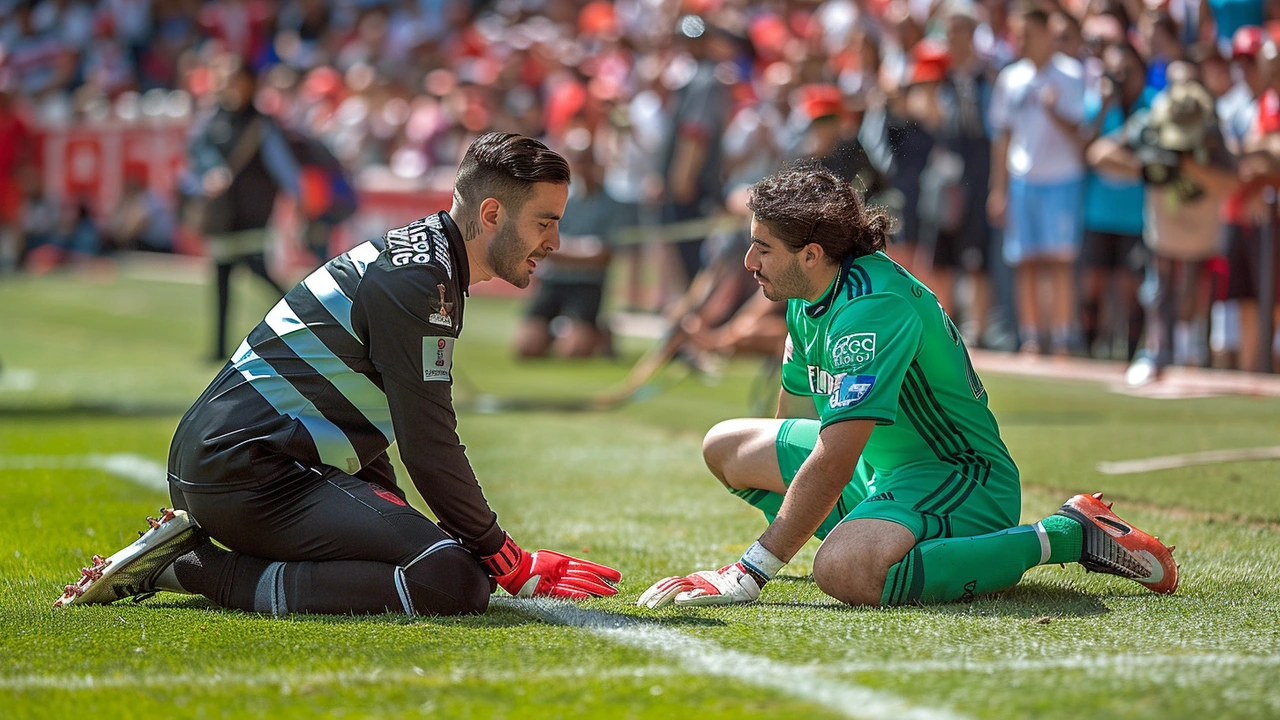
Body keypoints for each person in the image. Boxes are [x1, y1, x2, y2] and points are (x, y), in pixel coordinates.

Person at [54, 132, 621, 616]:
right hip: (251, 472)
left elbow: (356, 410)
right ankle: (192, 569)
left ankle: (197, 553)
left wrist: (398, 515)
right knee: (452, 579)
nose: (554, 241)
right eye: (544, 222)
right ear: (492, 213)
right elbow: (427, 441)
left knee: (445, 557)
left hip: (248, 462)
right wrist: (504, 556)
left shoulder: (427, 263)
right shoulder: (420, 280)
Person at [638, 164, 1177, 610]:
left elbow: (834, 455)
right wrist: (793, 516)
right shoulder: (807, 294)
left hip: (961, 477)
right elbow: (792, 424)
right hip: (880, 471)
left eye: (762, 248)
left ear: (810, 254)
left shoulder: (873, 306)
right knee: (726, 445)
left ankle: (1065, 533)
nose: (748, 262)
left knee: (845, 571)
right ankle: (879, 532)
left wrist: (752, 570)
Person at [988, 6, 1086, 355]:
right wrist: (997, 189)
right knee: (1025, 260)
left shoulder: (1072, 74)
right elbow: (1002, 136)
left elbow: (1081, 132)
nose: (1022, 41)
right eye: (1019, 34)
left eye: (1028, 33)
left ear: (1046, 32)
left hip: (1061, 178)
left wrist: (1053, 109)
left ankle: (1062, 336)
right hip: (1022, 180)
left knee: (1058, 260)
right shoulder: (1011, 78)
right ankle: (1031, 336)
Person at [186, 62, 294, 362]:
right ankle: (219, 348)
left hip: (253, 210)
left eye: (236, 80)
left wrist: (299, 197)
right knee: (221, 277)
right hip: (223, 214)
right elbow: (197, 148)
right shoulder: (213, 116)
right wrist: (210, 171)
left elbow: (282, 164)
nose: (230, 86)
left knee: (256, 268)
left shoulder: (260, 122)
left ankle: (301, 311)